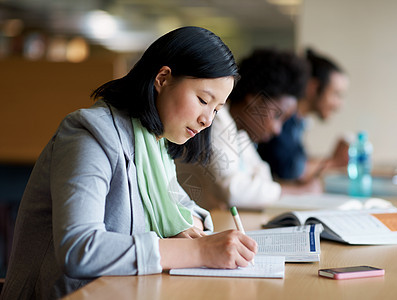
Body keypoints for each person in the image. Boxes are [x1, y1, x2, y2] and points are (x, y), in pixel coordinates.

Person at [1, 26, 257, 300]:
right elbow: (80, 249)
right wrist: (199, 250)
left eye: (216, 109)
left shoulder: (155, 146)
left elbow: (183, 210)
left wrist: (191, 229)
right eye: (203, 100)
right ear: (163, 78)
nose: (208, 119)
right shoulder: (89, 134)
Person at [175, 48, 312, 210]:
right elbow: (234, 191)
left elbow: (263, 178)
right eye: (276, 116)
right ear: (254, 101)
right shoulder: (217, 122)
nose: (277, 130)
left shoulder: (240, 132)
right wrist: (298, 191)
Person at [258, 48, 350, 184]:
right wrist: (334, 161)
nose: (339, 105)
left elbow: (298, 162)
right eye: (336, 94)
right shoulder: (282, 120)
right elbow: (288, 172)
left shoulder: (299, 122)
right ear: (313, 87)